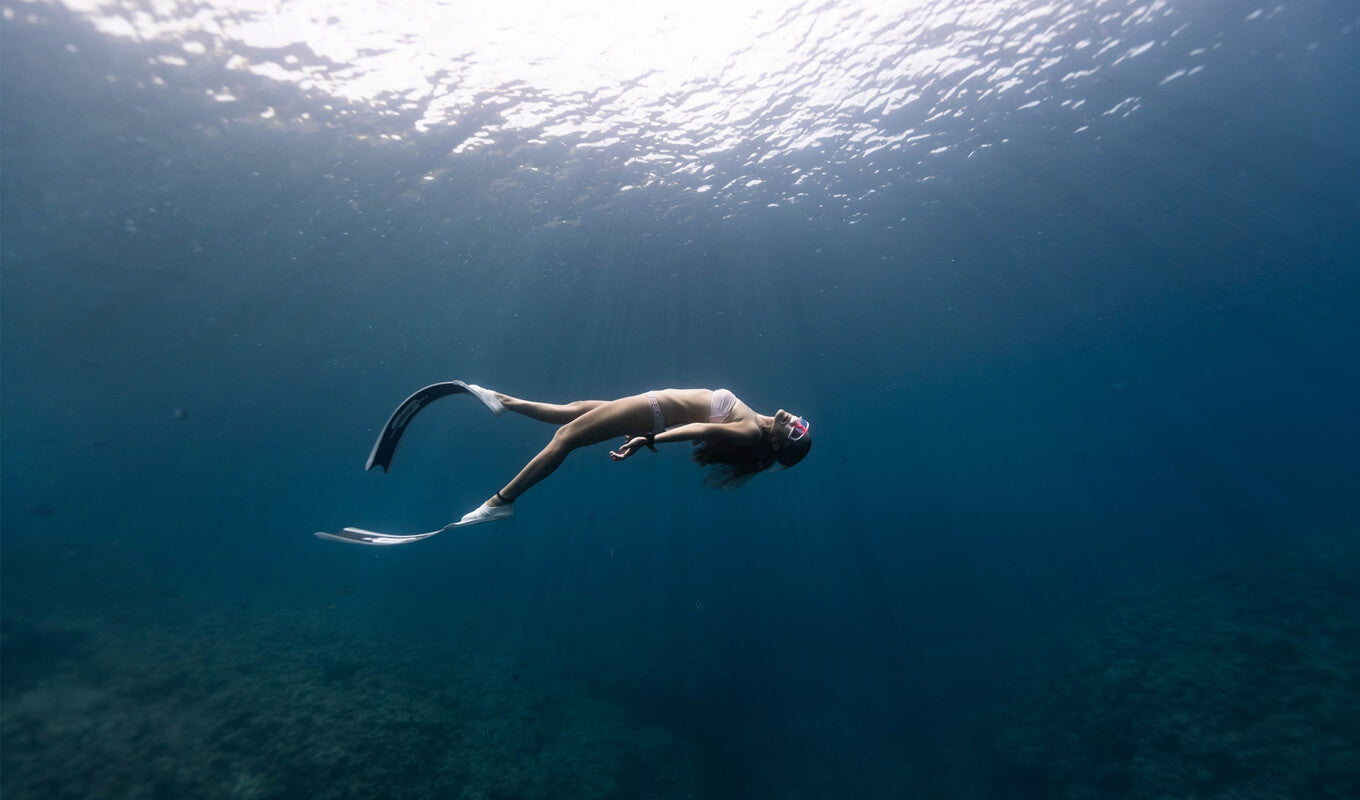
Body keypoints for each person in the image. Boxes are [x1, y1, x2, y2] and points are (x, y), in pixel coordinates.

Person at [454, 385, 812, 526]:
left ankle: (501, 501)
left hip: (653, 412)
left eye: (795, 430)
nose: (795, 420)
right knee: (573, 411)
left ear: (781, 444)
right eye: (802, 421)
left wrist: (649, 437)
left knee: (565, 437)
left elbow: (702, 430)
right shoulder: (757, 422)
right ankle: (502, 402)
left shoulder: (750, 430)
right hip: (652, 408)